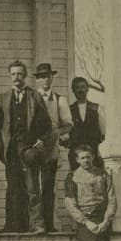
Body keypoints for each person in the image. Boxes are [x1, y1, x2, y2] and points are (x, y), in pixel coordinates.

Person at [0, 60, 54, 233]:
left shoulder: (34, 96)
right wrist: (2, 145)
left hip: (29, 148)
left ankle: (38, 224)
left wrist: (41, 139)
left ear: (25, 76)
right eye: (13, 74)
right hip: (11, 150)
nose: (16, 77)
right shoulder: (3, 98)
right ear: (9, 76)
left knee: (33, 187)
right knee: (13, 188)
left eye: (19, 74)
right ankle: (12, 225)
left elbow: (47, 125)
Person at [64, 144, 118, 241]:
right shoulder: (72, 177)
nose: (86, 160)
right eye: (82, 158)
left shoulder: (103, 175)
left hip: (103, 220)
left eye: (88, 157)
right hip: (85, 222)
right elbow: (70, 204)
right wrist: (86, 222)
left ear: (93, 157)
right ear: (77, 160)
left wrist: (107, 220)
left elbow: (112, 199)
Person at [33, 62, 74, 232]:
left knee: (48, 186)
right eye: (42, 77)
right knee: (33, 187)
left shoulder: (59, 99)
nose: (45, 79)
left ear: (52, 78)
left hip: (51, 149)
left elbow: (68, 125)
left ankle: (49, 223)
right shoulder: (32, 97)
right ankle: (36, 224)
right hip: (33, 148)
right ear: (37, 80)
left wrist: (54, 135)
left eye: (48, 76)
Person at [67, 76, 106, 171]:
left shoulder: (97, 108)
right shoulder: (69, 110)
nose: (80, 90)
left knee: (96, 179)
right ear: (73, 90)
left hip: (93, 152)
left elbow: (103, 132)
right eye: (77, 87)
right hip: (76, 154)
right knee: (77, 179)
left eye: (83, 87)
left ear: (87, 89)